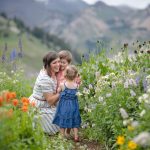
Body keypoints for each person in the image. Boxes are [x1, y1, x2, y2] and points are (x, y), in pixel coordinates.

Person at [29, 51, 60, 135]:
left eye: (58, 61)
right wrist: (63, 92)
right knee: (60, 120)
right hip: (40, 105)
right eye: (54, 63)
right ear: (48, 65)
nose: (58, 65)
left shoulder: (49, 71)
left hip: (46, 102)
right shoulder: (45, 79)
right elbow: (50, 101)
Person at [53, 65, 81, 142]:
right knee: (74, 119)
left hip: (64, 106)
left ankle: (62, 136)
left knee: (63, 118)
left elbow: (58, 91)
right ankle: (76, 136)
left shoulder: (63, 85)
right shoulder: (77, 86)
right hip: (74, 106)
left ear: (65, 75)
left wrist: (59, 89)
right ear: (75, 76)